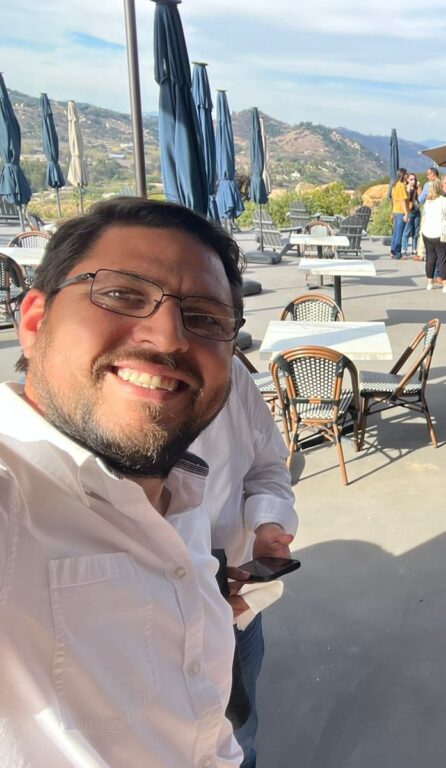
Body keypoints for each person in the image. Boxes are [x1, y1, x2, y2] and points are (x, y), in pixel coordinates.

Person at [0, 198, 246, 765]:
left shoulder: (180, 500)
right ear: (34, 322)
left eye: (206, 318)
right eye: (121, 294)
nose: (168, 337)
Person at [191, 356, 297, 768]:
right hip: (137, 641)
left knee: (239, 736)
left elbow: (265, 467)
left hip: (237, 610)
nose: (168, 335)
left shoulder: (230, 372)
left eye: (210, 324)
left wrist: (268, 523)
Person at [420, 179, 446, 293]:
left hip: (427, 233)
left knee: (430, 258)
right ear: (440, 188)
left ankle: (429, 283)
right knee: (443, 259)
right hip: (442, 233)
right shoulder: (444, 201)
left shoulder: (428, 201)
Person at [389, 167, 410, 260]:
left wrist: (392, 212)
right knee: (399, 234)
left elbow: (393, 200)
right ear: (402, 175)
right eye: (406, 174)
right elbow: (402, 200)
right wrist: (406, 213)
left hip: (395, 210)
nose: (407, 176)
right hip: (401, 211)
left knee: (395, 233)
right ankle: (398, 253)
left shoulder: (395, 185)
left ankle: (393, 251)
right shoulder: (401, 185)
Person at [403, 173, 421, 259]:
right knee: (407, 230)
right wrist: (409, 189)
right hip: (409, 211)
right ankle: (404, 249)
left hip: (416, 211)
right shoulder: (406, 188)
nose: (413, 181)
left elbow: (420, 198)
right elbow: (406, 199)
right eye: (411, 179)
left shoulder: (417, 188)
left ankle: (414, 249)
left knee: (416, 231)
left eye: (414, 179)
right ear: (407, 180)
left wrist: (419, 188)